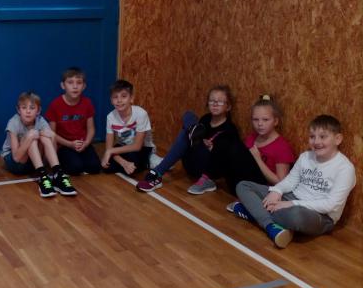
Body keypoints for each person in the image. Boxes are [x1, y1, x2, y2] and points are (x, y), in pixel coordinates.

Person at [233, 115, 356, 248]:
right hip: (291, 198)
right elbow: (290, 181)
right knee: (243, 186)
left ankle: (255, 213)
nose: (316, 141)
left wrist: (291, 204)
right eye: (312, 136)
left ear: (338, 139)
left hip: (320, 215)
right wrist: (277, 191)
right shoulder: (305, 157)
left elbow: (329, 205)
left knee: (296, 216)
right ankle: (271, 226)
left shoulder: (345, 168)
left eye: (323, 137)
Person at [136, 85, 240, 194]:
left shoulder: (229, 129)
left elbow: (226, 159)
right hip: (191, 164)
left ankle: (157, 173)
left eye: (220, 102)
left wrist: (210, 147)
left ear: (228, 107)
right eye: (212, 101)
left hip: (207, 171)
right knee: (188, 115)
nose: (215, 104)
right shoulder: (205, 119)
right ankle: (192, 130)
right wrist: (200, 139)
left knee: (186, 134)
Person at [219, 95, 295, 208]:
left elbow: (280, 183)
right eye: (256, 119)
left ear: (275, 121)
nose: (260, 124)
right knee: (229, 146)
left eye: (265, 120)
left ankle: (247, 200)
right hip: (244, 184)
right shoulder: (251, 138)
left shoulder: (282, 147)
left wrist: (258, 159)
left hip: (266, 189)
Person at [1, 91, 77, 197]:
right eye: (24, 108)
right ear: (18, 110)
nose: (28, 111)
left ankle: (58, 174)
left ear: (38, 111)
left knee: (45, 136)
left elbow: (52, 150)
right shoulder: (13, 123)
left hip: (35, 163)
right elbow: (16, 158)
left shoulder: (40, 121)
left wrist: (52, 137)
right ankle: (42, 177)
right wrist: (29, 137)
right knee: (32, 136)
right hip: (15, 163)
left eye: (32, 108)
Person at [45, 67, 102, 175]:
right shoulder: (55, 105)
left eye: (79, 83)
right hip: (64, 145)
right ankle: (59, 162)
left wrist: (86, 143)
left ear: (84, 86)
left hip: (82, 144)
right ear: (63, 85)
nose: (75, 86)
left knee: (95, 167)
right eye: (70, 82)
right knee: (75, 168)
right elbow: (52, 133)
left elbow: (91, 129)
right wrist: (70, 144)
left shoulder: (87, 103)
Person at [102, 79, 156, 175]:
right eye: (115, 97)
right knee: (106, 167)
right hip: (123, 146)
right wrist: (123, 162)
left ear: (131, 98)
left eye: (123, 96)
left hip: (143, 147)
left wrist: (110, 152)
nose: (119, 100)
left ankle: (150, 159)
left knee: (133, 163)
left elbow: (137, 146)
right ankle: (130, 164)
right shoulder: (110, 117)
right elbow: (109, 148)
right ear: (111, 100)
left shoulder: (141, 113)